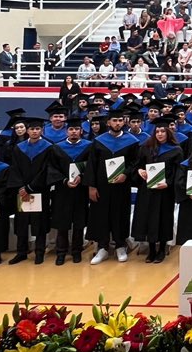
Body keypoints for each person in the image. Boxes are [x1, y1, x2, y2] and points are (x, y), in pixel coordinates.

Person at [85, 111, 139, 264]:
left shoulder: (132, 141)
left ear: (124, 122)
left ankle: (120, 245)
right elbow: (91, 165)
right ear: (108, 122)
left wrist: (126, 174)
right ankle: (102, 247)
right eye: (114, 120)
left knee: (120, 214)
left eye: (120, 120)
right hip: (102, 186)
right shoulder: (99, 141)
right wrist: (91, 186)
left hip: (121, 186)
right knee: (101, 215)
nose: (117, 123)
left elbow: (135, 162)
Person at [133, 122, 183, 262]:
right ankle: (151, 250)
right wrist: (140, 170)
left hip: (164, 191)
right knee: (148, 218)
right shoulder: (146, 148)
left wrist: (168, 183)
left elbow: (178, 172)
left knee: (163, 219)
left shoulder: (176, 150)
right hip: (148, 190)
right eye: (157, 131)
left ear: (168, 133)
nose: (160, 134)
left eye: (163, 131)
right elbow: (138, 165)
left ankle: (161, 250)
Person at [7, 118, 54, 265]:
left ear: (41, 131)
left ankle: (39, 252)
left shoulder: (48, 147)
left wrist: (30, 187)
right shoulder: (19, 147)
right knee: (21, 222)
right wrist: (21, 187)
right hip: (22, 191)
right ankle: (21, 252)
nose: (34, 131)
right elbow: (14, 169)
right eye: (32, 129)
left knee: (39, 222)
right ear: (27, 131)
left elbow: (46, 170)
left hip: (40, 191)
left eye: (37, 129)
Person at [49, 120, 92, 265]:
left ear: (81, 131)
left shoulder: (89, 147)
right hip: (63, 190)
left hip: (81, 190)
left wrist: (83, 176)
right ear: (67, 131)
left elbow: (92, 166)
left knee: (79, 222)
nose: (74, 131)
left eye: (77, 129)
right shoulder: (57, 148)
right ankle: (61, 252)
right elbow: (52, 169)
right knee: (63, 222)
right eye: (71, 129)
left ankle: (76, 251)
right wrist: (64, 181)